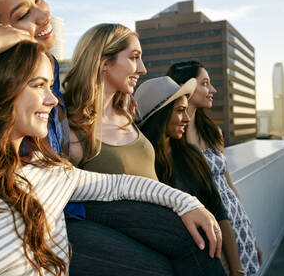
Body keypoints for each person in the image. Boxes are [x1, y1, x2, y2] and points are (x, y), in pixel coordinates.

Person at [0, 0, 224, 275]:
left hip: (73, 203)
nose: (42, 14)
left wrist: (183, 200)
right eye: (22, 15)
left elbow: (65, 164)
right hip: (28, 228)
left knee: (197, 240)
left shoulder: (47, 69)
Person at [0, 42, 216, 275]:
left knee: (183, 249)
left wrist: (187, 203)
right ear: (3, 92)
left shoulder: (47, 171)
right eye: (38, 85)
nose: (51, 99)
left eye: (51, 86)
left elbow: (117, 186)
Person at [63, 23, 226, 275]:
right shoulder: (71, 129)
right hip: (131, 241)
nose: (143, 68)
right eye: (134, 58)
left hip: (162, 227)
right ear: (104, 61)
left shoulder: (128, 114)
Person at [135, 76, 246, 276]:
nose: (187, 118)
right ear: (160, 115)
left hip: (215, 261)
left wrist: (237, 269)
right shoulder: (143, 166)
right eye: (179, 111)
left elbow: (219, 212)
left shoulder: (192, 156)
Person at [167, 60, 263, 275]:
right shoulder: (172, 140)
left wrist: (251, 237)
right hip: (209, 231)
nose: (213, 90)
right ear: (188, 88)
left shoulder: (213, 132)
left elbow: (228, 185)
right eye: (205, 83)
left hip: (237, 223)